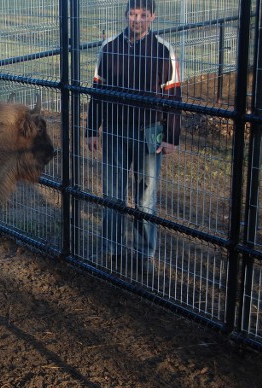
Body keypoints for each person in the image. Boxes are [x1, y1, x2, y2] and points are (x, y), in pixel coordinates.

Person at [85, 0, 181, 275]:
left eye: (142, 15)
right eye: (132, 14)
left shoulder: (163, 50)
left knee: (146, 195)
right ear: (125, 15)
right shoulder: (110, 47)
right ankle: (109, 248)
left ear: (153, 17)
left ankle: (144, 253)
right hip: (115, 130)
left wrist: (171, 135)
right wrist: (93, 129)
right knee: (112, 193)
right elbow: (98, 91)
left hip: (150, 130)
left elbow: (174, 95)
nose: (136, 20)